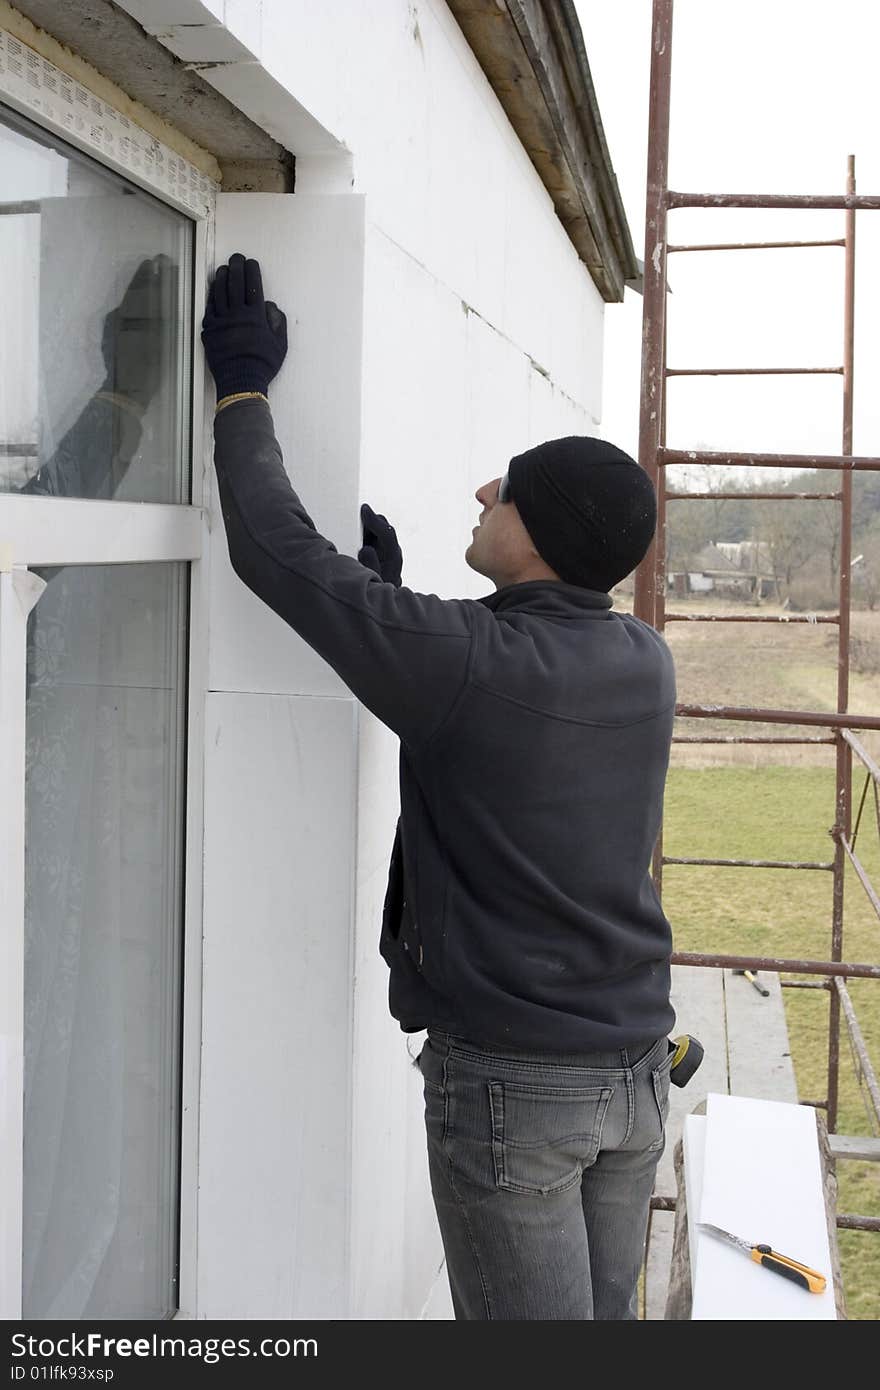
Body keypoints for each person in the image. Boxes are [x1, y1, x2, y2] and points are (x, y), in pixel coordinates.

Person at [202, 252, 677, 1322]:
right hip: (632, 1076)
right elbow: (504, 722)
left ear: (536, 534)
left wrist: (240, 386)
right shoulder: (644, 660)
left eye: (503, 486)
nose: (481, 489)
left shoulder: (467, 662)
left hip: (518, 1089)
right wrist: (386, 603)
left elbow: (274, 552)